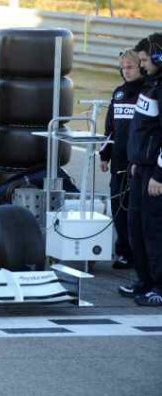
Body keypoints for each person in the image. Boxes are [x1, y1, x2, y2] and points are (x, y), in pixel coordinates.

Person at [119, 33, 162, 306]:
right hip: (141, 169)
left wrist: (159, 174)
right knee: (136, 228)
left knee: (154, 230)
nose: (142, 65)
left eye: (145, 60)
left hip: (155, 174)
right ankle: (145, 280)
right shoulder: (151, 85)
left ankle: (159, 286)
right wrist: (135, 161)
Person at [99, 49, 144, 270]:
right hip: (118, 162)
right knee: (118, 207)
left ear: (141, 67)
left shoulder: (149, 93)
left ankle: (140, 253)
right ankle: (124, 251)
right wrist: (104, 155)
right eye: (123, 67)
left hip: (139, 164)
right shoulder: (118, 94)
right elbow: (110, 128)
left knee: (136, 211)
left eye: (130, 67)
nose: (126, 71)